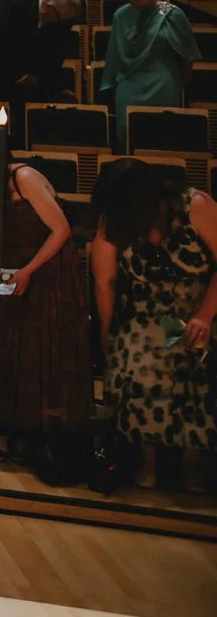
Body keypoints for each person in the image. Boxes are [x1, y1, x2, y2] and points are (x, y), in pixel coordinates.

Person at [0, 128, 90, 456]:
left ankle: (33, 433)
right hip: (10, 271)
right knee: (0, 349)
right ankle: (1, 429)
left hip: (44, 273)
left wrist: (29, 271)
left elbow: (61, 229)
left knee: (34, 351)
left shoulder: (24, 177)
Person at [90, 161, 217, 491]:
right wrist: (106, 333)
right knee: (139, 353)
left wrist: (204, 314)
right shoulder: (115, 218)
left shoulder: (194, 206)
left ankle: (194, 460)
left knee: (194, 355)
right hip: (147, 313)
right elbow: (105, 281)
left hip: (201, 306)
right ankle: (147, 460)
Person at [100, 0, 198, 143]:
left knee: (162, 141)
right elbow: (113, 55)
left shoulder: (173, 15)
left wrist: (178, 85)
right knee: (130, 140)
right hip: (129, 87)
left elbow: (188, 57)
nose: (135, 1)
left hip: (163, 87)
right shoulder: (121, 16)